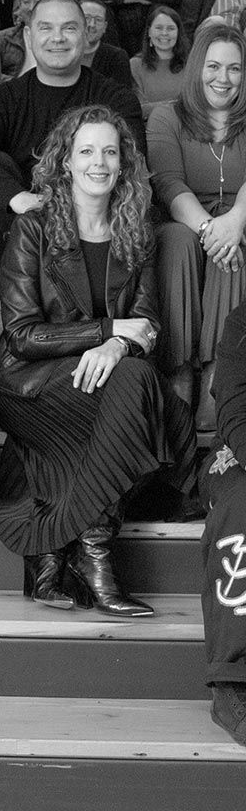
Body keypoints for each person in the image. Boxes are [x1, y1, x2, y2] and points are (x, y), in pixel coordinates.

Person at [0, 106, 193, 617]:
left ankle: (70, 544)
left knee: (132, 375)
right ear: (65, 162)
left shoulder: (137, 228)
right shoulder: (33, 227)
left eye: (110, 152)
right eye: (86, 151)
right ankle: (96, 554)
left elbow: (147, 324)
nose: (99, 162)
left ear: (124, 163)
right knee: (140, 395)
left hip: (107, 382)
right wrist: (107, 331)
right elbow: (22, 335)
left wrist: (117, 346)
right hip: (30, 384)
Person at [0, 0, 146, 283]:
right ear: (29, 35)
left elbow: (132, 164)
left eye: (69, 28)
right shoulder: (4, 98)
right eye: (46, 28)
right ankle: (10, 292)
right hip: (19, 229)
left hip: (94, 223)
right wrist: (18, 199)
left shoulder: (115, 98)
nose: (58, 38)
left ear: (86, 34)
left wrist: (64, 208)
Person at [148, 21, 246, 428]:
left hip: (242, 217)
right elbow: (168, 184)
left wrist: (235, 220)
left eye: (235, 68)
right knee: (177, 240)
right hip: (185, 218)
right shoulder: (166, 116)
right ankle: (177, 368)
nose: (223, 78)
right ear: (196, 69)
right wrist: (211, 229)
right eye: (213, 66)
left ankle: (215, 374)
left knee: (233, 250)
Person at [198, 300, 246, 746]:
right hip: (239, 451)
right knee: (242, 502)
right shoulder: (243, 319)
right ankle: (232, 682)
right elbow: (233, 406)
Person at [131, 4, 188, 117]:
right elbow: (137, 109)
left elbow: (196, 105)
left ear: (178, 33)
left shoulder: (191, 64)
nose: (164, 33)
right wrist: (177, 105)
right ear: (149, 32)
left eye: (171, 28)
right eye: (159, 28)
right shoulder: (135, 64)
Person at [0, 0, 50, 78]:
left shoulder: (59, 37)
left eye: (38, 1)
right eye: (26, 2)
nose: (31, 8)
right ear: (19, 6)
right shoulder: (4, 38)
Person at [78, 0, 133, 89]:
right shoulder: (61, 53)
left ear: (105, 27)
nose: (92, 24)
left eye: (98, 20)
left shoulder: (117, 57)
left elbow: (122, 97)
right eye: (86, 18)